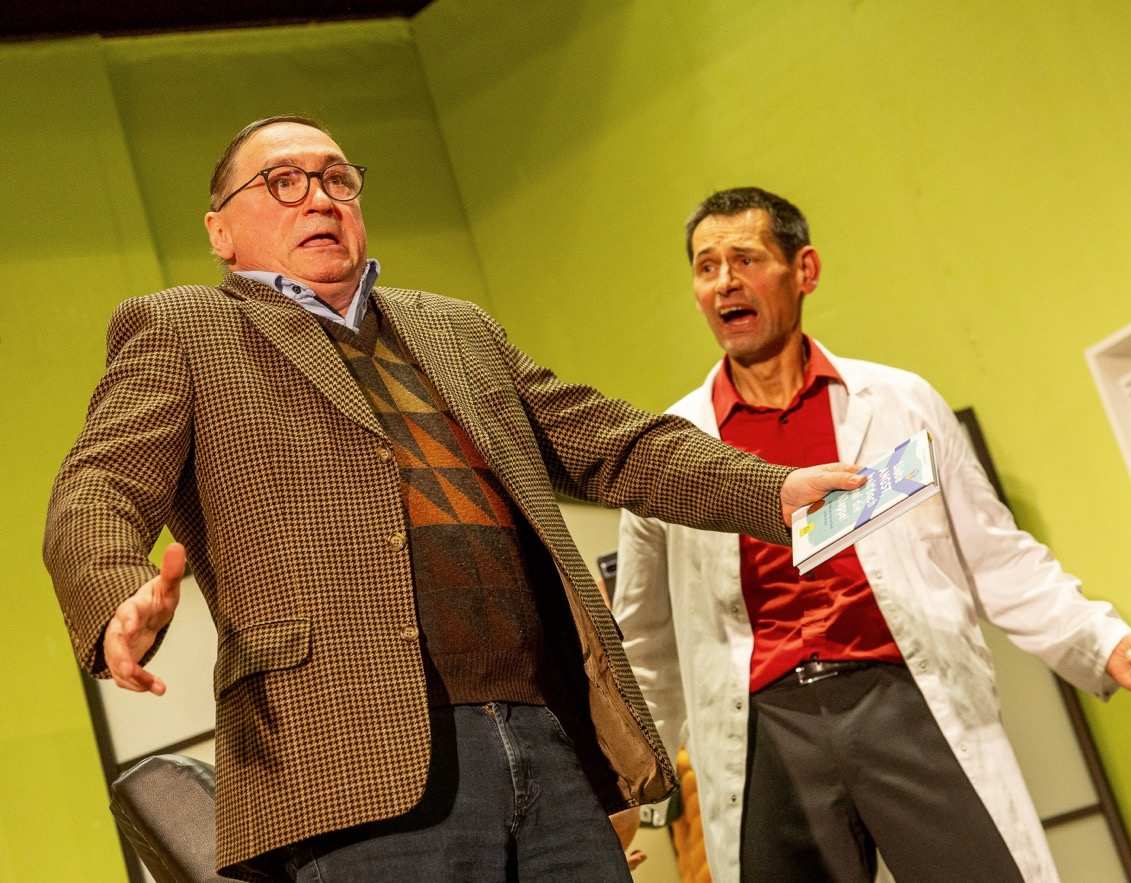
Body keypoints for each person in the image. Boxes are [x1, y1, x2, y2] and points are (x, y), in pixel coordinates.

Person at [42, 122, 862, 882]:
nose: (320, 198)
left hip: (545, 736)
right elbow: (96, 486)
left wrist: (773, 487)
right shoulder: (184, 328)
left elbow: (612, 439)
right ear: (220, 231)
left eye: (337, 179)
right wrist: (115, 593)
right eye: (283, 182)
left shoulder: (454, 328)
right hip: (348, 761)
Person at [612, 187, 1131, 883]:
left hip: (901, 700)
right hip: (765, 730)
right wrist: (625, 797)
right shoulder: (674, 449)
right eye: (707, 267)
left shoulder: (899, 402)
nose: (725, 281)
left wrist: (1103, 642)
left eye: (746, 259)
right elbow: (643, 642)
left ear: (804, 270)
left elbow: (995, 555)